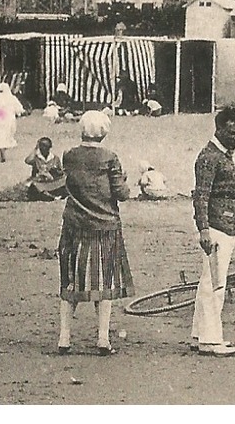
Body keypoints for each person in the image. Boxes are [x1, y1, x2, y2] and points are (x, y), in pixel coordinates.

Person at [57, 111, 133, 354]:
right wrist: (125, 181)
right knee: (104, 281)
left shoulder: (69, 155)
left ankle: (64, 337)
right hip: (104, 226)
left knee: (71, 281)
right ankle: (102, 338)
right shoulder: (110, 158)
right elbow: (121, 193)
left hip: (75, 224)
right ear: (104, 132)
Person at [191, 106, 235, 357]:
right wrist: (204, 230)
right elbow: (200, 197)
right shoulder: (209, 157)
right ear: (219, 128)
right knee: (215, 283)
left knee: (210, 280)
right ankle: (210, 340)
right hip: (216, 228)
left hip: (226, 226)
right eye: (232, 132)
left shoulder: (221, 154)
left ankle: (198, 335)